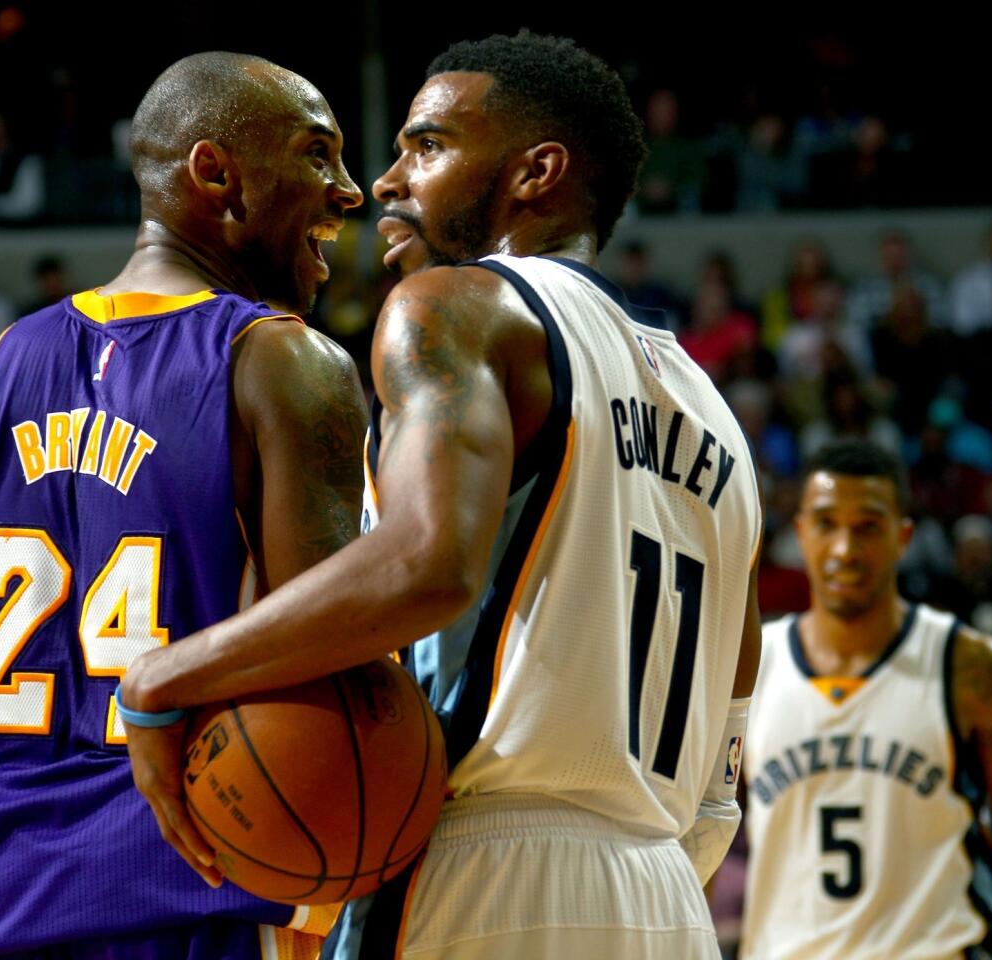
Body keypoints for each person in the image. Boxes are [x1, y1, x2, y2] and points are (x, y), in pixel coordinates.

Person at [118, 32, 763, 959]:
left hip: (478, 868)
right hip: (665, 897)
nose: (385, 181)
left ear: (536, 172)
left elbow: (428, 564)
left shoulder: (456, 307)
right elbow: (719, 784)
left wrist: (166, 677)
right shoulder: (716, 415)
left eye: (426, 146)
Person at [0, 52, 366, 958]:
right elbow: (335, 692)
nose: (351, 191)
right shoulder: (283, 367)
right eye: (318, 155)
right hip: (190, 907)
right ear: (215, 173)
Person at [741, 440, 992, 959]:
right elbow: (705, 834)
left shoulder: (971, 668)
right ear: (801, 533)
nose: (845, 548)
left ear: (903, 538)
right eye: (827, 524)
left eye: (868, 526)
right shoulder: (753, 666)